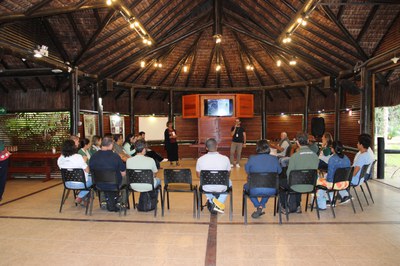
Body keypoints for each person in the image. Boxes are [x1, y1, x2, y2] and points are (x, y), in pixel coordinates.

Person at [244, 140, 282, 218]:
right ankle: (261, 206)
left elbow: (247, 171)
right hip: (272, 189)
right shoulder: (274, 158)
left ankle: (258, 206)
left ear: (257, 148)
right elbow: (280, 171)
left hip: (254, 189)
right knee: (269, 184)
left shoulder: (252, 158)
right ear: (268, 148)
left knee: (246, 187)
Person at [283, 132, 319, 213]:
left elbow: (289, 175)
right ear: (308, 141)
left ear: (297, 142)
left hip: (296, 186)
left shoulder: (294, 157)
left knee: (282, 183)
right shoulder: (315, 156)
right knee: (299, 178)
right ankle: (298, 205)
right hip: (311, 186)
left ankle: (284, 206)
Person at [89, 136, 127, 210]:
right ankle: (121, 202)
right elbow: (123, 173)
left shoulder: (93, 156)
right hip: (114, 184)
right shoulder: (115, 156)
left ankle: (104, 201)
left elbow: (91, 170)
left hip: (98, 184)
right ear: (111, 145)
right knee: (127, 180)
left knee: (104, 180)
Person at [196, 138, 231, 214]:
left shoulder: (200, 159)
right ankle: (219, 202)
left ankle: (212, 200)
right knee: (229, 182)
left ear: (206, 148)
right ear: (217, 146)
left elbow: (198, 175)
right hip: (222, 186)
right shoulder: (225, 159)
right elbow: (228, 175)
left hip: (206, 187)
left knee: (201, 182)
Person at [337, 134, 374, 203]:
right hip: (360, 178)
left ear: (361, 145)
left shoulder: (361, 157)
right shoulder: (368, 154)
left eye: (358, 143)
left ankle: (345, 195)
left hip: (355, 179)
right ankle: (343, 194)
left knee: (335, 176)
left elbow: (354, 172)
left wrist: (345, 175)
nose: (357, 144)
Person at [316, 141, 351, 210]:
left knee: (319, 181)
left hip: (334, 184)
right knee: (328, 179)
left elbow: (330, 178)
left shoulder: (332, 159)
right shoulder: (347, 158)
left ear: (333, 149)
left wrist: (325, 179)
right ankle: (329, 199)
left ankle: (322, 204)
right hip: (345, 183)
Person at [57, 139, 92, 205]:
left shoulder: (60, 159)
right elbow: (87, 170)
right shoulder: (78, 157)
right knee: (94, 179)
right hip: (81, 183)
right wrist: (84, 161)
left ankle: (82, 199)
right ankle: (80, 196)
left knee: (87, 180)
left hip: (67, 183)